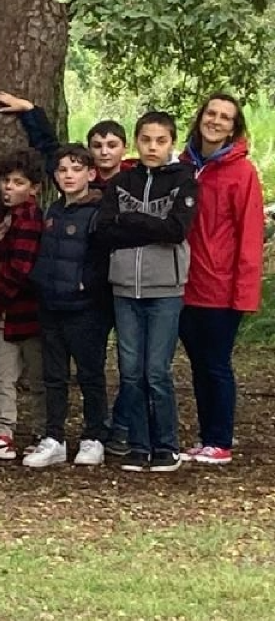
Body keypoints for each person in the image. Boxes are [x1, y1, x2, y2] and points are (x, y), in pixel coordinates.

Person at [96, 112, 196, 473]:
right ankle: (138, 445)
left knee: (156, 371)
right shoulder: (123, 180)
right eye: (146, 140)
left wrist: (131, 220)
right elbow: (105, 230)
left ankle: (166, 445)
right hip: (125, 288)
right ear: (136, 142)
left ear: (172, 143)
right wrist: (147, 226)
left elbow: (176, 230)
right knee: (130, 371)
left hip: (165, 288)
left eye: (161, 141)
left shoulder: (183, 178)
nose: (153, 147)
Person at [179, 94, 264, 466]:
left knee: (216, 364)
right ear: (201, 118)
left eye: (225, 117)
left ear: (234, 127)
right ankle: (206, 436)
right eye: (211, 113)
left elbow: (249, 236)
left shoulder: (241, 173)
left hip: (220, 289)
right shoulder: (184, 165)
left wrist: (244, 295)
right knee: (198, 364)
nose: (215, 121)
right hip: (183, 285)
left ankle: (220, 439)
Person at [22, 145, 111, 468]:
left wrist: (87, 285)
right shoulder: (51, 212)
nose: (68, 176)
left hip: (86, 308)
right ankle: (54, 437)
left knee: (89, 374)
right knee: (54, 375)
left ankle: (94, 436)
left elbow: (102, 260)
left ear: (90, 174)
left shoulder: (99, 211)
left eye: (76, 169)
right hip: (51, 303)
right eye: (62, 170)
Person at [0, 150, 45, 462]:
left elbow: (20, 271)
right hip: (6, 313)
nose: (8, 188)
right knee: (0, 374)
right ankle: (2, 432)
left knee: (38, 376)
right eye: (6, 181)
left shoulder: (30, 219)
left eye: (18, 182)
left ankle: (44, 432)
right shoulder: (0, 218)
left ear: (33, 188)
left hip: (28, 311)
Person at [0, 91, 134, 189]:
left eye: (112, 146)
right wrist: (30, 110)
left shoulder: (136, 177)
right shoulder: (77, 177)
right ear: (89, 150)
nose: (104, 152)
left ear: (124, 148)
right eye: (97, 146)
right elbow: (49, 146)